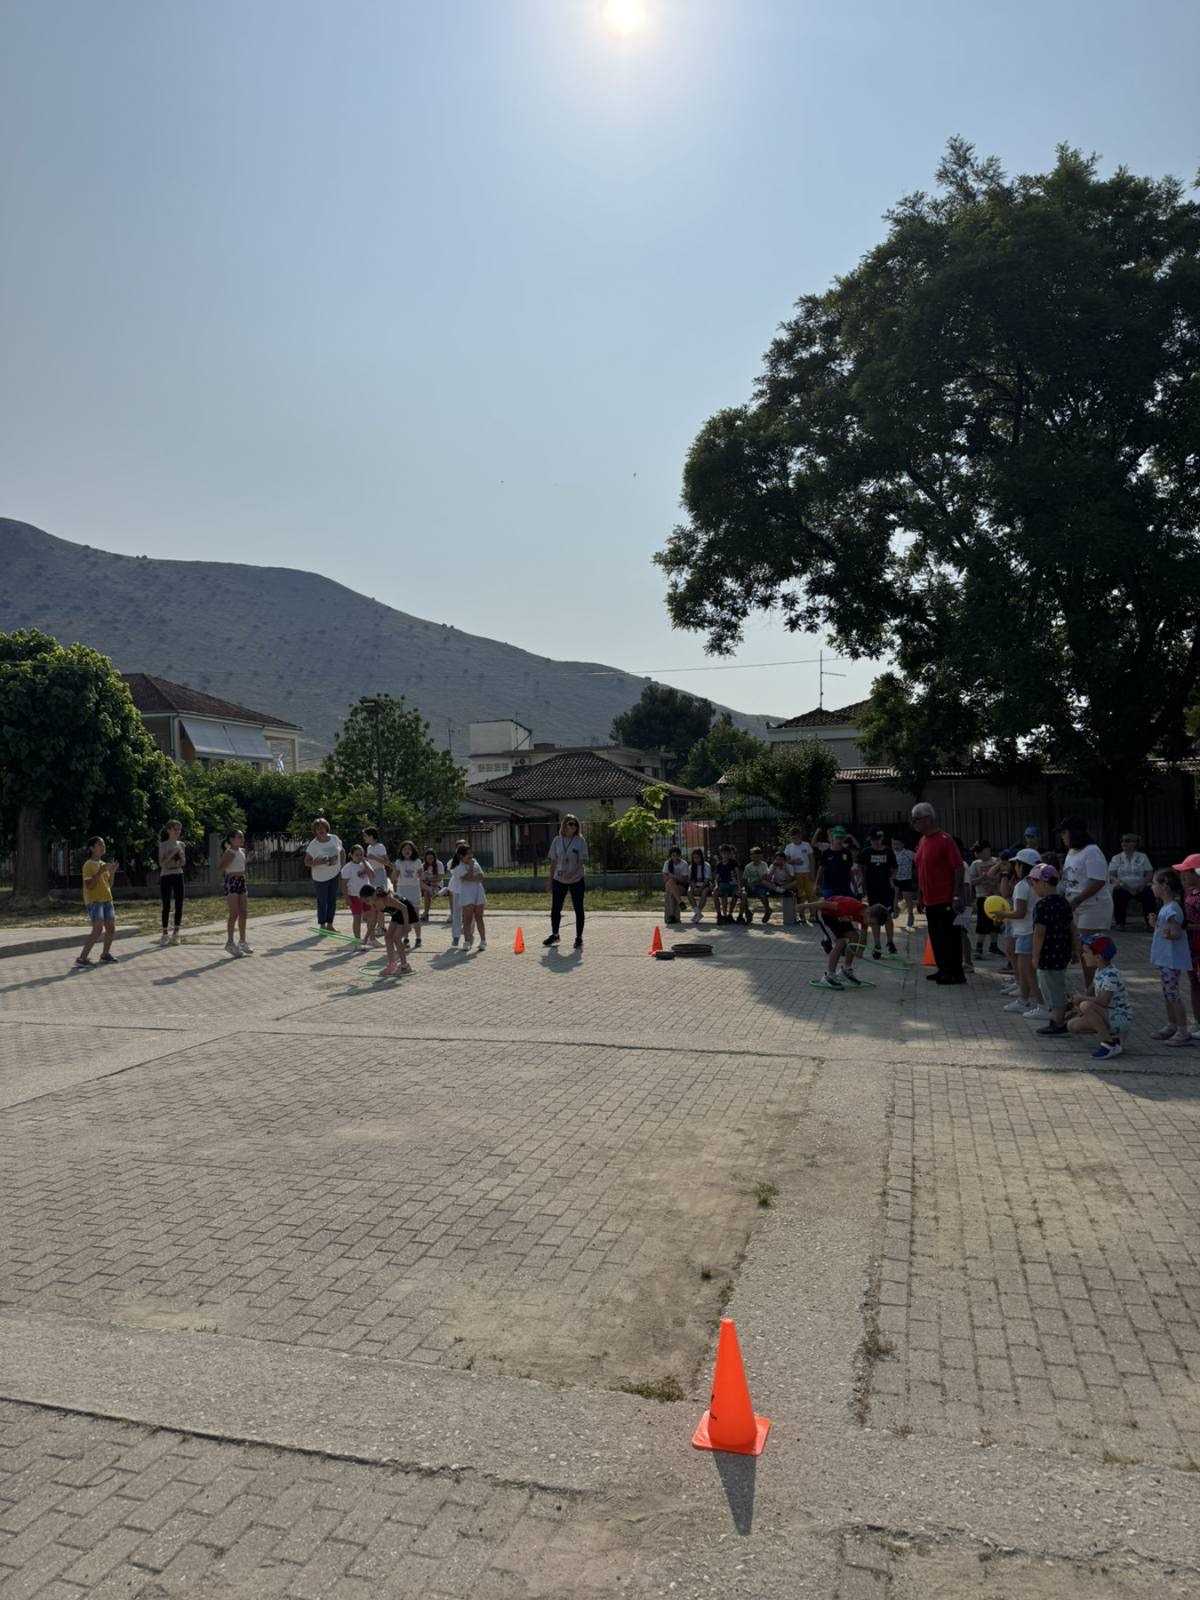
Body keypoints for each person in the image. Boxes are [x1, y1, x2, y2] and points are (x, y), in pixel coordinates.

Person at [912, 802, 966, 984]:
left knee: (950, 936)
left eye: (916, 819)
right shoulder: (923, 841)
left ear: (927, 819)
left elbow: (958, 867)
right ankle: (943, 969)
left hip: (945, 898)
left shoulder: (945, 840)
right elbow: (921, 869)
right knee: (936, 937)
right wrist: (920, 896)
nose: (914, 823)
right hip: (930, 899)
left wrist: (956, 895)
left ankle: (954, 973)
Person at [1059, 817, 1113, 991]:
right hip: (1076, 907)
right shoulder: (1071, 852)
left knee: (1090, 949)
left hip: (1093, 907)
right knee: (1082, 950)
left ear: (1074, 832)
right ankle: (1090, 990)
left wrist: (1077, 900)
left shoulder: (1092, 851)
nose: (1062, 837)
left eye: (1064, 832)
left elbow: (1098, 881)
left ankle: (1094, 992)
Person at [1067, 934, 1132, 1061]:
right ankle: (1115, 1038)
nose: (1083, 955)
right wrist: (1076, 1003)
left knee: (1086, 1005)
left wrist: (1082, 999)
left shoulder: (1111, 975)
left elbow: (1103, 1001)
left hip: (1120, 1016)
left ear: (1098, 957)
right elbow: (1091, 991)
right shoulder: (1100, 970)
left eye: (1086, 952)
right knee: (1072, 1025)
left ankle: (1109, 1044)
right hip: (1108, 1014)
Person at [992, 849, 1040, 1016]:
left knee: (1028, 972)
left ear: (1022, 866)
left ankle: (1041, 1005)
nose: (1015, 867)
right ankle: (1024, 1000)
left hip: (1025, 931)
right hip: (1031, 930)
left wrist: (1002, 914)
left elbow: (1020, 912)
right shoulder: (1037, 883)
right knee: (1027, 970)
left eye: (1017, 864)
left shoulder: (1022, 885)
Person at [1030, 862, 1074, 1035]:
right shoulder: (1064, 902)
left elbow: (1039, 933)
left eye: (1034, 883)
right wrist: (1076, 948)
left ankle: (1058, 1022)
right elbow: (1072, 927)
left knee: (1051, 987)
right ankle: (1057, 1016)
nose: (1033, 887)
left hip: (1048, 953)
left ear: (1044, 883)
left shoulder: (1042, 905)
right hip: (1062, 951)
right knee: (1057, 983)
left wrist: (1035, 956)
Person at [1150, 867, 1192, 1046]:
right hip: (1165, 958)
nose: (1152, 886)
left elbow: (1176, 933)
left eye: (1154, 883)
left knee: (1173, 994)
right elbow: (1165, 930)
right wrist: (1156, 924)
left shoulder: (1172, 909)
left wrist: (1168, 933)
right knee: (1168, 993)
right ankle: (1172, 1024)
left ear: (1164, 886)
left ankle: (1182, 1030)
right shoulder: (1167, 907)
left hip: (1171, 959)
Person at [805, 893, 868, 989]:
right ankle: (829, 975)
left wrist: (860, 950)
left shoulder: (866, 916)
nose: (870, 924)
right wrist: (803, 906)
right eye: (871, 922)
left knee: (854, 936)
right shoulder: (849, 906)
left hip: (839, 916)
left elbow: (863, 936)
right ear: (868, 913)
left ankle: (846, 970)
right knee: (841, 942)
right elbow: (823, 904)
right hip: (825, 914)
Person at [545, 814, 587, 949]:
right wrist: (550, 880)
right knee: (555, 908)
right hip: (559, 879)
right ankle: (555, 934)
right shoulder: (557, 840)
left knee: (578, 908)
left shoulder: (580, 841)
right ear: (564, 825)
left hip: (576, 879)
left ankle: (579, 938)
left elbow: (581, 862)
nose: (573, 826)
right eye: (570, 824)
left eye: (575, 824)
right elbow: (553, 862)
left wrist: (573, 873)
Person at [75, 836, 118, 966]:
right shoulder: (88, 865)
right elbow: (89, 886)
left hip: (107, 900)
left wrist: (112, 872)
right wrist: (100, 871)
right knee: (98, 929)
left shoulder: (103, 864)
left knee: (111, 928)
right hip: (95, 901)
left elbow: (109, 884)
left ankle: (105, 954)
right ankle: (82, 958)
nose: (103, 846)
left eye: (103, 844)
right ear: (92, 848)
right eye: (100, 844)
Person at [357, 886, 413, 978]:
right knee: (387, 937)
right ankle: (392, 965)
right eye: (365, 902)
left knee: (396, 938)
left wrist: (407, 925)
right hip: (396, 915)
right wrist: (366, 938)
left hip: (407, 913)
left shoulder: (386, 899)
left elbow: (404, 908)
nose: (367, 903)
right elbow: (373, 922)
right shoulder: (374, 904)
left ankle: (405, 966)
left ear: (374, 895)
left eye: (367, 900)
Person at [859, 829, 898, 958]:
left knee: (887, 915)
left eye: (877, 839)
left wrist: (892, 879)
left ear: (881, 839)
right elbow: (861, 868)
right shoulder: (866, 852)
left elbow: (895, 867)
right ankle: (877, 944)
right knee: (874, 916)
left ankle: (890, 942)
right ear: (870, 840)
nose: (875, 842)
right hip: (872, 890)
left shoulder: (888, 851)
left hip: (886, 889)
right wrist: (862, 883)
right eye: (873, 840)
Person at [1176, 852, 1200, 1039]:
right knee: (1194, 984)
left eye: (1187, 872)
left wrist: (1187, 926)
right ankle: (1198, 1021)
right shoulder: (1188, 893)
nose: (1183, 875)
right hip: (1191, 947)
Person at [305, 818, 344, 930]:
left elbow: (342, 851)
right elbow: (307, 862)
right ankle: (322, 925)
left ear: (327, 828)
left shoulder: (334, 838)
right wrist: (318, 862)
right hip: (320, 878)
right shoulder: (313, 844)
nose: (320, 830)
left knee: (332, 900)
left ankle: (330, 924)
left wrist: (342, 866)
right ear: (315, 831)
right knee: (322, 901)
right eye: (318, 829)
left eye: (322, 827)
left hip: (334, 874)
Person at [1109, 834, 1155, 929]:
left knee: (1149, 893)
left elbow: (1149, 873)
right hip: (1123, 887)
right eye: (1122, 841)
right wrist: (1123, 885)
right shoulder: (1116, 858)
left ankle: (1151, 924)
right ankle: (1120, 923)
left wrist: (1142, 884)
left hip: (1139, 887)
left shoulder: (1142, 857)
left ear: (1135, 843)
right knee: (1117, 892)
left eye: (1127, 841)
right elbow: (1111, 875)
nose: (1123, 843)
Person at [218, 830, 252, 957]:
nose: (242, 839)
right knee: (234, 913)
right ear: (232, 839)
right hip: (231, 882)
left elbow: (242, 867)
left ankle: (242, 941)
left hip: (241, 881)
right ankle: (230, 943)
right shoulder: (229, 852)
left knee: (244, 912)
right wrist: (229, 861)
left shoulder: (242, 851)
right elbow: (220, 868)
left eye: (242, 836)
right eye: (239, 837)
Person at [966, 841, 1000, 959]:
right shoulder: (975, 864)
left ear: (987, 850)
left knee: (996, 922)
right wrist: (982, 878)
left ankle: (994, 946)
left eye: (979, 851)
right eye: (976, 852)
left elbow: (1001, 877)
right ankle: (979, 948)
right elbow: (971, 881)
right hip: (982, 897)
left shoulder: (996, 862)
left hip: (995, 896)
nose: (977, 854)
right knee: (982, 923)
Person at [451, 847, 487, 950]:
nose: (471, 856)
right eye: (468, 854)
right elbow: (468, 878)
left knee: (479, 917)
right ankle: (467, 941)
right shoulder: (458, 867)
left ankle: (483, 941)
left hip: (478, 891)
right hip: (466, 894)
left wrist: (473, 877)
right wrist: (471, 869)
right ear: (461, 856)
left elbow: (481, 876)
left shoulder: (475, 862)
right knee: (468, 918)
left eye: (471, 853)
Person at [157, 819, 186, 945]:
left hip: (178, 874)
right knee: (166, 904)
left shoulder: (181, 844)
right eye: (175, 829)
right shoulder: (163, 845)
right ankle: (164, 934)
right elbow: (162, 863)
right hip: (166, 875)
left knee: (179, 903)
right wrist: (173, 853)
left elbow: (183, 862)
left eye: (179, 829)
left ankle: (176, 933)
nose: (178, 832)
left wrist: (180, 856)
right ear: (169, 830)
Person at [392, 841, 424, 949]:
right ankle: (406, 939)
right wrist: (393, 870)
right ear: (401, 851)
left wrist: (424, 875)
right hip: (402, 890)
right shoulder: (398, 862)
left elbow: (421, 875)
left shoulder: (417, 861)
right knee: (404, 916)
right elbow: (394, 878)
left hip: (414, 890)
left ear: (413, 851)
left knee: (415, 915)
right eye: (404, 849)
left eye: (409, 849)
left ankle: (418, 938)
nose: (407, 851)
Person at [340, 845, 372, 941]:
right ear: (351, 855)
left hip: (368, 896)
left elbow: (372, 875)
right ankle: (357, 939)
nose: (359, 857)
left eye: (361, 854)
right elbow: (343, 885)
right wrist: (347, 898)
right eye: (357, 855)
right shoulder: (347, 868)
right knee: (357, 918)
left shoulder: (365, 864)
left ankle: (372, 938)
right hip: (355, 896)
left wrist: (364, 863)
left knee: (370, 917)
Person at [783, 828, 816, 923]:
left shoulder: (806, 845)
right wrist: (794, 861)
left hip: (807, 873)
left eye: (797, 837)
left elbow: (812, 859)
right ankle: (802, 915)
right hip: (796, 874)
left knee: (811, 894)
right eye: (793, 838)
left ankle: (812, 915)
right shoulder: (789, 847)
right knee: (800, 895)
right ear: (791, 838)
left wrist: (812, 873)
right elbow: (785, 861)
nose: (795, 839)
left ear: (800, 836)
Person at [762, 853, 796, 923]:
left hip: (786, 885)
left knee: (796, 882)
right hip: (775, 885)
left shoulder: (789, 867)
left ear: (784, 860)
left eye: (781, 860)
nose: (779, 861)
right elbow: (768, 879)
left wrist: (785, 869)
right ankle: (778, 889)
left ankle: (782, 889)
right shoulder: (772, 866)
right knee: (763, 882)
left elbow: (790, 880)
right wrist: (773, 869)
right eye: (777, 859)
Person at [891, 834, 917, 928]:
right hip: (895, 878)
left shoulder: (908, 853)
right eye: (894, 844)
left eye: (898, 844)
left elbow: (919, 859)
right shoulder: (891, 853)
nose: (895, 846)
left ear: (903, 844)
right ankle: (895, 910)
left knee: (907, 898)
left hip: (906, 878)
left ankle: (910, 915)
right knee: (894, 896)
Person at [445, 843, 469, 947]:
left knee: (468, 915)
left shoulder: (471, 861)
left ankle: (469, 936)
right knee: (456, 914)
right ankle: (456, 936)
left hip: (469, 891)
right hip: (457, 890)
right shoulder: (453, 863)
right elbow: (460, 875)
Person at [739, 847, 771, 922]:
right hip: (750, 886)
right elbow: (744, 879)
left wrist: (755, 883)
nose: (755, 857)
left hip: (761, 885)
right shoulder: (748, 866)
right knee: (743, 894)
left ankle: (767, 910)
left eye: (757, 856)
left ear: (761, 856)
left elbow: (764, 877)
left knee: (762, 893)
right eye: (753, 855)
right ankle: (748, 912)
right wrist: (743, 887)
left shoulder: (764, 865)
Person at [713, 845, 741, 924]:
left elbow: (738, 875)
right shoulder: (719, 865)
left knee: (736, 894)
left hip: (733, 884)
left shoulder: (733, 863)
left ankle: (730, 914)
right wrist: (716, 885)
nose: (725, 855)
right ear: (721, 854)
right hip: (723, 884)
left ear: (729, 854)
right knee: (722, 894)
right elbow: (716, 878)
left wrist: (739, 886)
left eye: (727, 853)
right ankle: (723, 915)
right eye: (723, 853)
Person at [663, 846, 690, 924]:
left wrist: (674, 877)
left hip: (682, 886)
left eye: (677, 855)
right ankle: (680, 903)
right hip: (670, 885)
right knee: (671, 883)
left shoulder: (684, 864)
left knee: (671, 893)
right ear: (670, 856)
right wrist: (674, 878)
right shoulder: (667, 863)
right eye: (673, 855)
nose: (675, 857)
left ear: (680, 855)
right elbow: (665, 879)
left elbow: (684, 880)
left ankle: (671, 917)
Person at [419, 849, 445, 923]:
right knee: (419, 883)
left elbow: (440, 878)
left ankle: (425, 913)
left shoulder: (439, 864)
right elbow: (421, 879)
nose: (430, 860)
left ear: (434, 858)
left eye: (431, 858)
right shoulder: (423, 865)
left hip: (436, 886)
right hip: (426, 886)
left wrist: (428, 879)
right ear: (425, 858)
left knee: (426, 892)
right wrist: (426, 878)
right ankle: (430, 890)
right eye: (428, 859)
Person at [688, 848, 713, 924]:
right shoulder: (691, 867)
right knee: (689, 892)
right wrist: (694, 887)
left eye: (697, 857)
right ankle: (698, 913)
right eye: (694, 858)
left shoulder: (706, 865)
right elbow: (691, 880)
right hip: (696, 885)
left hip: (705, 885)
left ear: (701, 857)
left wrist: (701, 888)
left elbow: (707, 880)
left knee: (704, 892)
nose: (696, 859)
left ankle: (697, 914)